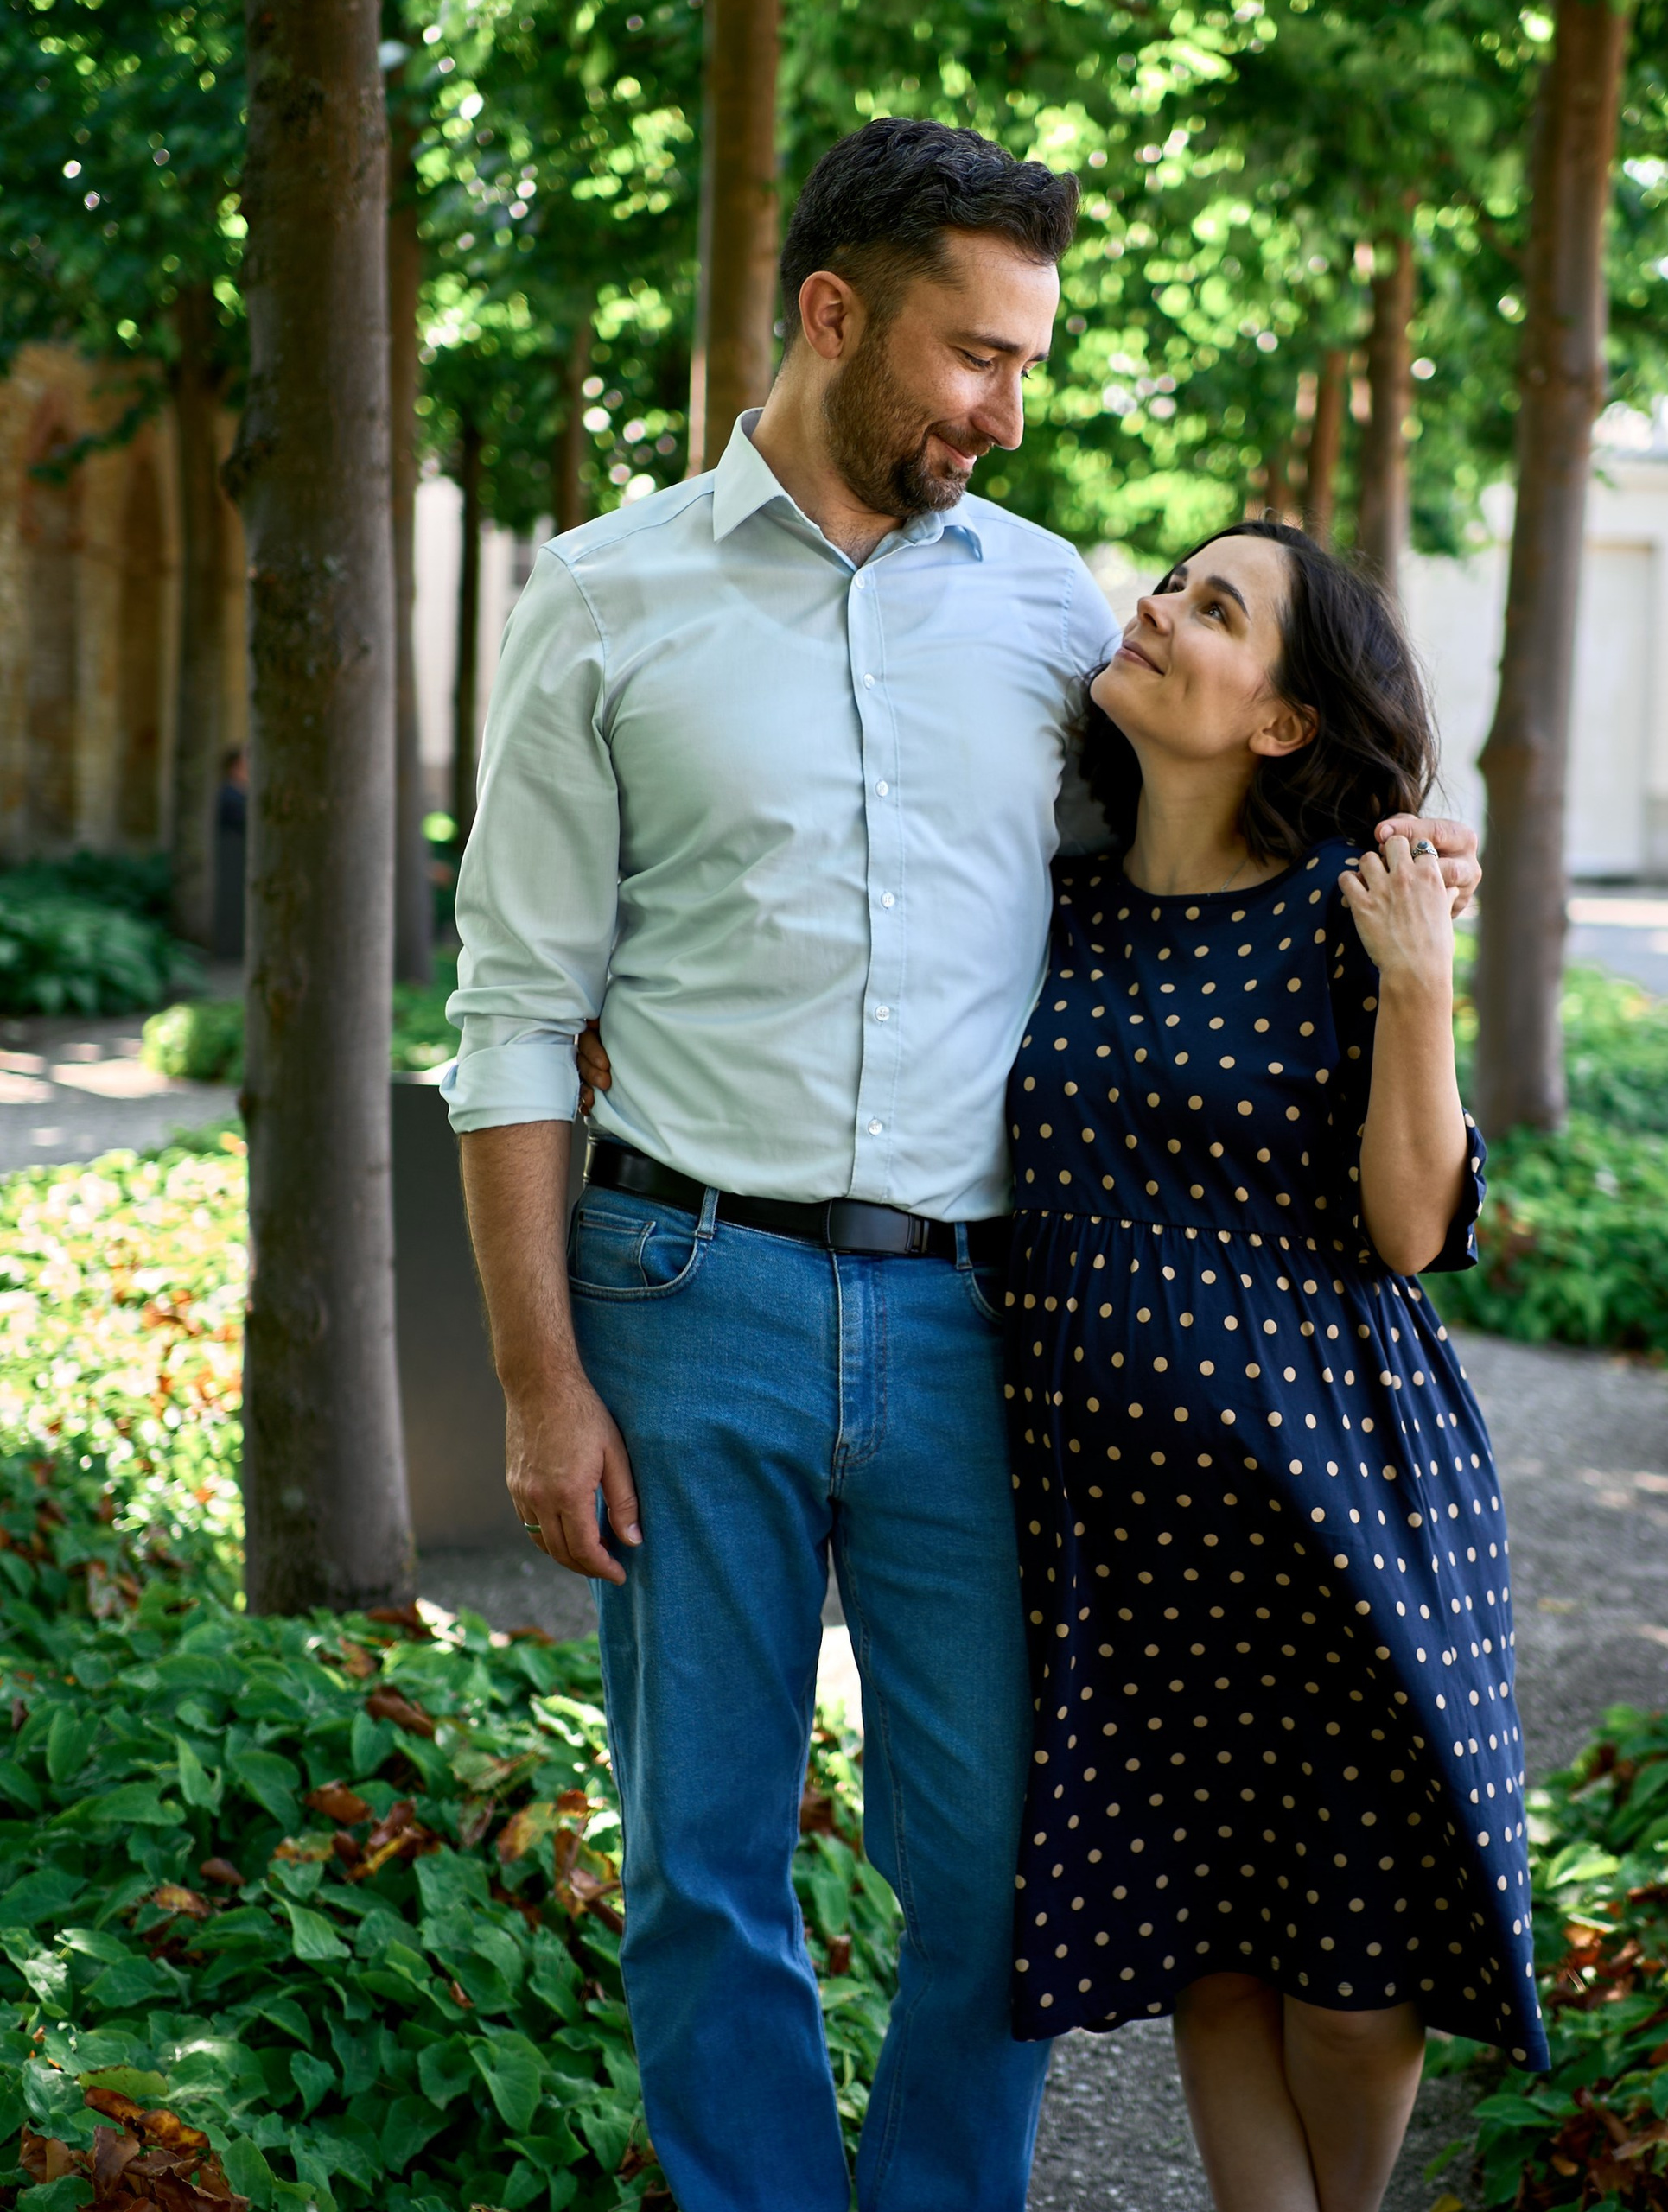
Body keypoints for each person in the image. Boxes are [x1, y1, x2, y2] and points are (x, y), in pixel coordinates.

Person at [445, 118, 1480, 2212]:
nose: (1007, 412)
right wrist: (538, 1379)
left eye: (1028, 362)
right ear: (833, 315)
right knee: (703, 1858)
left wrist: (1404, 879)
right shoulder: (603, 595)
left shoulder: (1046, 606)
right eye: (973, 358)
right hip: (680, 1287)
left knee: (1003, 1863)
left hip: (977, 1325)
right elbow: (511, 1007)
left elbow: (1207, 843)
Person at [1003, 524, 1547, 2212]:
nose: (1157, 607)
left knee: (1352, 1958)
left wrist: (1421, 979)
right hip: (1130, 1551)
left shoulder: (1346, 907)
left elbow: (1405, 1225)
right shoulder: (1052, 910)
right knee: (1210, 1943)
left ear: (1282, 722)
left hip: (1339, 1520)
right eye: (1170, 579)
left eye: (1213, 607)